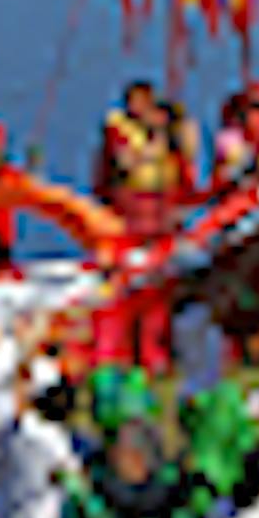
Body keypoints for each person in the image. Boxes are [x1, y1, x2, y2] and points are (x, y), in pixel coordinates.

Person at [94, 80, 193, 372]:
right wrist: (154, 142)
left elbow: (185, 158)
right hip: (130, 215)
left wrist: (178, 128)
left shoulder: (168, 131)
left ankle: (155, 351)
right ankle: (113, 354)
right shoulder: (119, 131)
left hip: (160, 213)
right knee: (123, 285)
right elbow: (125, 163)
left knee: (159, 287)